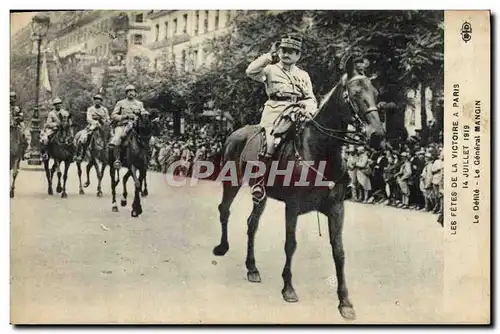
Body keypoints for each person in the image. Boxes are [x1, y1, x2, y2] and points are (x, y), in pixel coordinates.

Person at [245, 33, 318, 203]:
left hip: (298, 113)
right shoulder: (270, 69)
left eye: (291, 52)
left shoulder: (303, 75)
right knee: (271, 141)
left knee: (312, 140)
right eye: (284, 50)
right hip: (275, 112)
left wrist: (308, 109)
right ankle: (259, 182)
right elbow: (250, 71)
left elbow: (310, 98)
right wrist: (268, 56)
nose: (286, 54)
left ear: (298, 55)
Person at [109, 84, 147, 168]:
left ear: (135, 93)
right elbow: (113, 115)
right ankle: (117, 160)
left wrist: (145, 114)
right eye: (129, 91)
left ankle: (145, 157)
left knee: (147, 138)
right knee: (117, 138)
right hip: (122, 125)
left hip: (135, 126)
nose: (131, 93)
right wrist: (124, 116)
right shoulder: (120, 103)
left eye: (132, 91)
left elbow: (143, 113)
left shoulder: (140, 104)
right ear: (126, 93)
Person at [75, 94, 110, 162]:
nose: (97, 101)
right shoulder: (90, 109)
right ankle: (80, 154)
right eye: (96, 99)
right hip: (92, 126)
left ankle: (109, 155)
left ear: (101, 101)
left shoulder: (104, 109)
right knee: (83, 138)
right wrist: (96, 123)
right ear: (94, 101)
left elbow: (108, 118)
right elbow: (88, 119)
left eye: (99, 100)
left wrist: (103, 120)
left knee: (112, 137)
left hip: (103, 126)